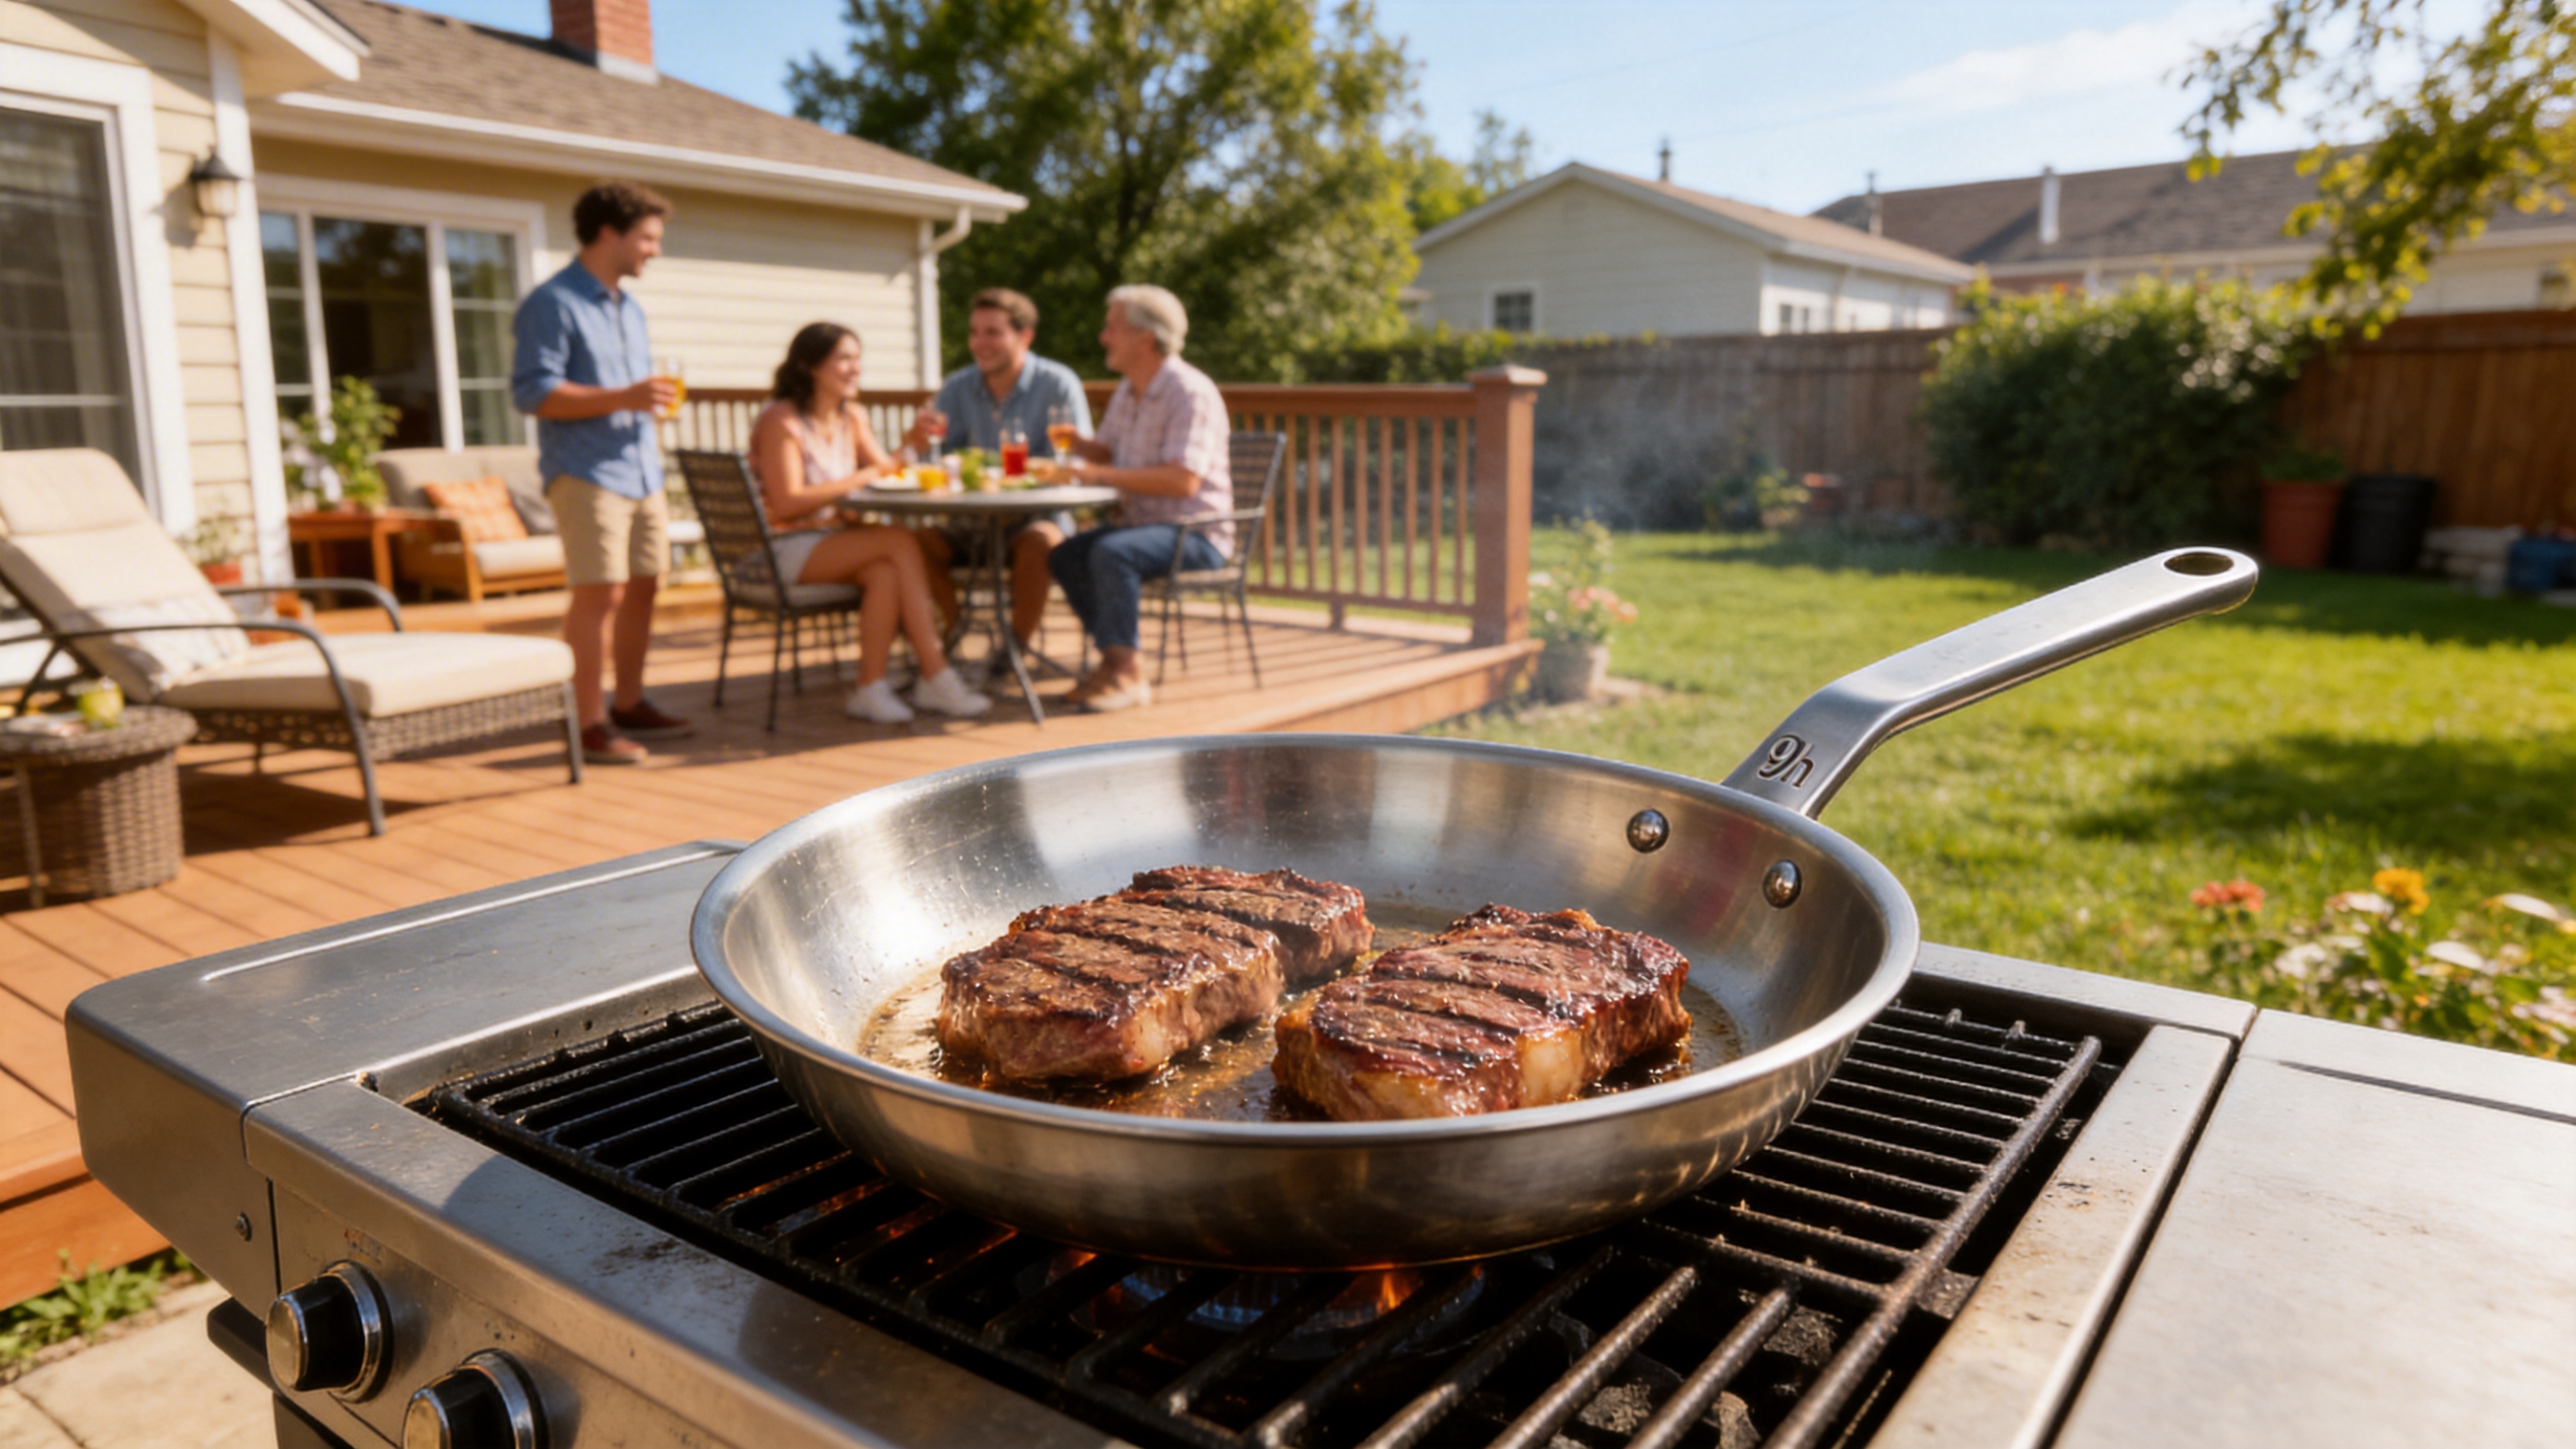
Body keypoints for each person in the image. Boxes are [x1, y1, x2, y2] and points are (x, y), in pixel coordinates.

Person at [511, 180, 692, 765]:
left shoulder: (629, 308)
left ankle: (630, 702)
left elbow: (632, 395)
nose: (654, 250)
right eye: (648, 237)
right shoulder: (552, 303)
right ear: (609, 234)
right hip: (586, 471)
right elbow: (533, 393)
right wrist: (624, 396)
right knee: (600, 594)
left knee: (646, 584)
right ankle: (588, 723)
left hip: (641, 469)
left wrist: (638, 401)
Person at [751, 323, 989, 724]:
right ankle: (935, 673)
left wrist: (911, 444)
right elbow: (788, 503)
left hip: (836, 540)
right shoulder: (782, 420)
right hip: (783, 548)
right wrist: (863, 478)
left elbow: (886, 470)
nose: (855, 369)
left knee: (885, 571)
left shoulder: (852, 418)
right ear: (811, 366)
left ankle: (870, 687)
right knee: (898, 543)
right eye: (844, 359)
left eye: (857, 359)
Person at [1053, 284, 1232, 712]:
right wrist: (1080, 446)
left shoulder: (1189, 392)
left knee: (1113, 553)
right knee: (1065, 556)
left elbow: (1183, 481)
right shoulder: (1127, 388)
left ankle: (1128, 675)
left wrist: (1096, 473)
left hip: (1196, 534)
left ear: (1144, 338)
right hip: (1141, 526)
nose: (1102, 337)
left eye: (1112, 327)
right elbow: (1110, 452)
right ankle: (1115, 662)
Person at [901, 288, 1093, 646]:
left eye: (993, 332)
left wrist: (1035, 474)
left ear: (1025, 336)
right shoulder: (956, 388)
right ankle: (956, 631)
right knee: (912, 543)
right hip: (968, 523)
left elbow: (1076, 461)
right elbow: (940, 461)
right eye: (974, 332)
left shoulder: (1057, 384)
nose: (979, 343)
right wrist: (922, 447)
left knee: (1041, 542)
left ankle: (1013, 649)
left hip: (1033, 519)